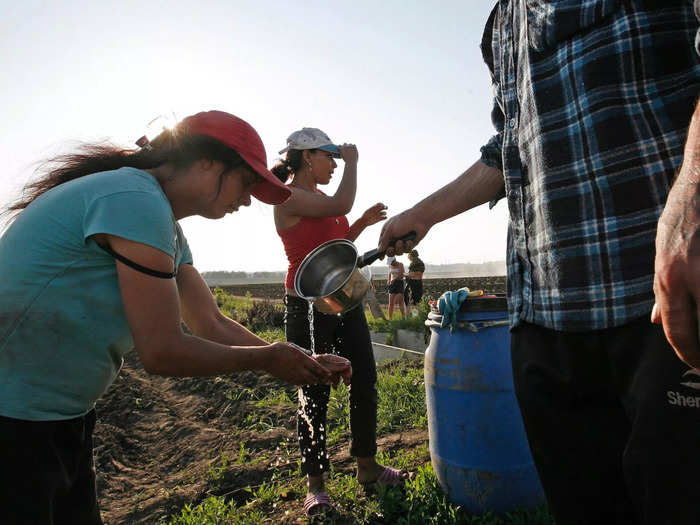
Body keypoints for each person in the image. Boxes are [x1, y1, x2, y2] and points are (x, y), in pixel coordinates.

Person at [379, 3, 700, 524]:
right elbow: (508, 145)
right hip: (545, 323)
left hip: (663, 303)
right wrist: (426, 213)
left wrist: (693, 195)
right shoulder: (500, 25)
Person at [0, 110, 350, 525]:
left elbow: (210, 323)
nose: (246, 199)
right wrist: (266, 359)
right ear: (207, 161)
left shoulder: (159, 219)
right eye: (245, 182)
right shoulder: (134, 200)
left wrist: (296, 358)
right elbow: (162, 351)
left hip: (58, 417)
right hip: (14, 421)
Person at [271, 127, 410, 516]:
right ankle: (316, 486)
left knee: (363, 377)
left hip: (342, 301)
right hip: (307, 305)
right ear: (307, 157)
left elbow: (335, 245)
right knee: (313, 389)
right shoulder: (288, 197)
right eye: (328, 157)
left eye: (337, 158)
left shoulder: (319, 200)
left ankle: (367, 466)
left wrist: (362, 224)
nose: (334, 164)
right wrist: (353, 161)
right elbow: (341, 202)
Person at [404, 249, 425, 314]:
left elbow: (416, 273)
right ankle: (414, 317)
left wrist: (405, 274)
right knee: (416, 301)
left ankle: (413, 316)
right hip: (416, 283)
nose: (408, 257)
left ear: (411, 255)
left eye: (409, 255)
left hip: (414, 283)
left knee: (413, 301)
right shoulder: (418, 262)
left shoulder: (416, 263)